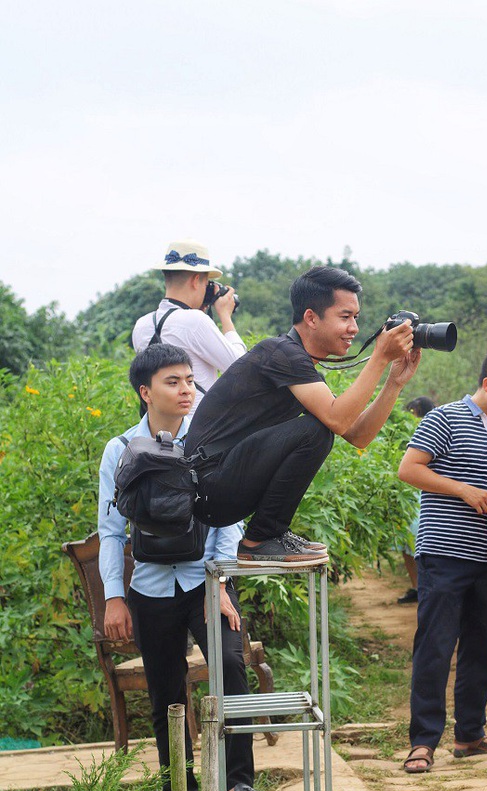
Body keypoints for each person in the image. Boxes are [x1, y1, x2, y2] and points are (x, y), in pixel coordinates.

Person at [98, 344, 267, 791]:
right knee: (165, 695)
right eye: (173, 381)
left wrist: (219, 580)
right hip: (150, 589)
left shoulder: (208, 441)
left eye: (190, 379)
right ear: (145, 391)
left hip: (204, 581)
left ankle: (238, 784)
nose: (187, 388)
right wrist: (114, 595)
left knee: (230, 665)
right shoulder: (120, 449)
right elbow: (111, 530)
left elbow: (227, 517)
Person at [185, 265, 421, 566]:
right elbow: (337, 421)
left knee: (321, 427)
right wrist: (378, 357)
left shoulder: (297, 363)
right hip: (210, 485)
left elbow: (358, 435)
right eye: (345, 317)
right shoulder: (281, 353)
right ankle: (260, 539)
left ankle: (268, 534)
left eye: (356, 318)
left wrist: (394, 382)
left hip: (221, 487)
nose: (355, 329)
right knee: (317, 430)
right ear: (311, 317)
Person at [398, 348, 487, 773]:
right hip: (442, 552)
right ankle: (423, 742)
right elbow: (410, 469)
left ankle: (470, 734)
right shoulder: (445, 418)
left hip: (484, 555)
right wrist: (462, 490)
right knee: (435, 647)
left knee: (479, 648)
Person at [132, 239, 246, 410]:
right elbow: (242, 367)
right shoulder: (195, 321)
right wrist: (225, 316)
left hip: (159, 430)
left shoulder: (142, 325)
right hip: (198, 429)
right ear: (196, 280)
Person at [397, 396, 435, 605]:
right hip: (408, 493)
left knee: (420, 542)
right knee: (406, 544)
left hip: (424, 495)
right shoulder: (403, 432)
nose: (411, 417)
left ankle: (426, 588)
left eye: (414, 414)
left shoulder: (434, 430)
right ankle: (416, 587)